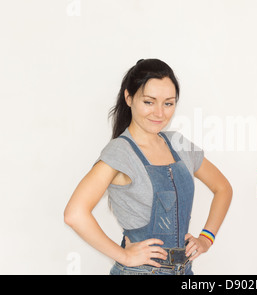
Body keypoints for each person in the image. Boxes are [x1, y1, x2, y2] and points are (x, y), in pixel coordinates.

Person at [64, 59, 232, 275]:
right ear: (129, 97)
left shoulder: (179, 145)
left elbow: (223, 188)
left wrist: (206, 238)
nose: (159, 113)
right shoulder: (120, 152)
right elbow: (74, 213)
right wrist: (124, 255)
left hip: (184, 270)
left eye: (168, 103)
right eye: (149, 102)